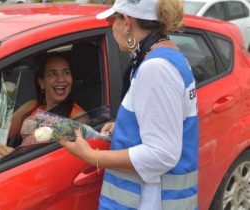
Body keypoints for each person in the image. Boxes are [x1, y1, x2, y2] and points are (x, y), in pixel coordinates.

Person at [60, 0, 199, 210]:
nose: (111, 27)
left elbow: (163, 154)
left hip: (147, 201)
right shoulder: (163, 52)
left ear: (126, 22)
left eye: (111, 20)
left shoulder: (156, 69)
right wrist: (127, 125)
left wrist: (91, 156)